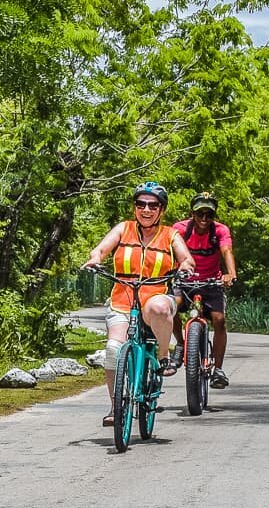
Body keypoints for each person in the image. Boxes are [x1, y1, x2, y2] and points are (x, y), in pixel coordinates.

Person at [82, 182, 194, 427]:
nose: (146, 209)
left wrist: (185, 266)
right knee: (113, 350)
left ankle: (163, 357)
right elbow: (101, 249)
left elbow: (186, 258)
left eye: (152, 205)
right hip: (122, 301)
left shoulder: (170, 235)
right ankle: (116, 407)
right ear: (135, 207)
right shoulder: (123, 229)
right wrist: (95, 258)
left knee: (160, 308)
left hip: (154, 298)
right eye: (141, 204)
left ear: (161, 210)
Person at [172, 191, 238, 388]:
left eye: (209, 215)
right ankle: (181, 343)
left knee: (219, 320)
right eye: (200, 213)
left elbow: (227, 251)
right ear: (192, 213)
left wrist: (230, 274)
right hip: (184, 281)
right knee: (171, 307)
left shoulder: (220, 231)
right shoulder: (180, 229)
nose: (204, 219)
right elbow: (169, 251)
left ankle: (218, 369)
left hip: (211, 283)